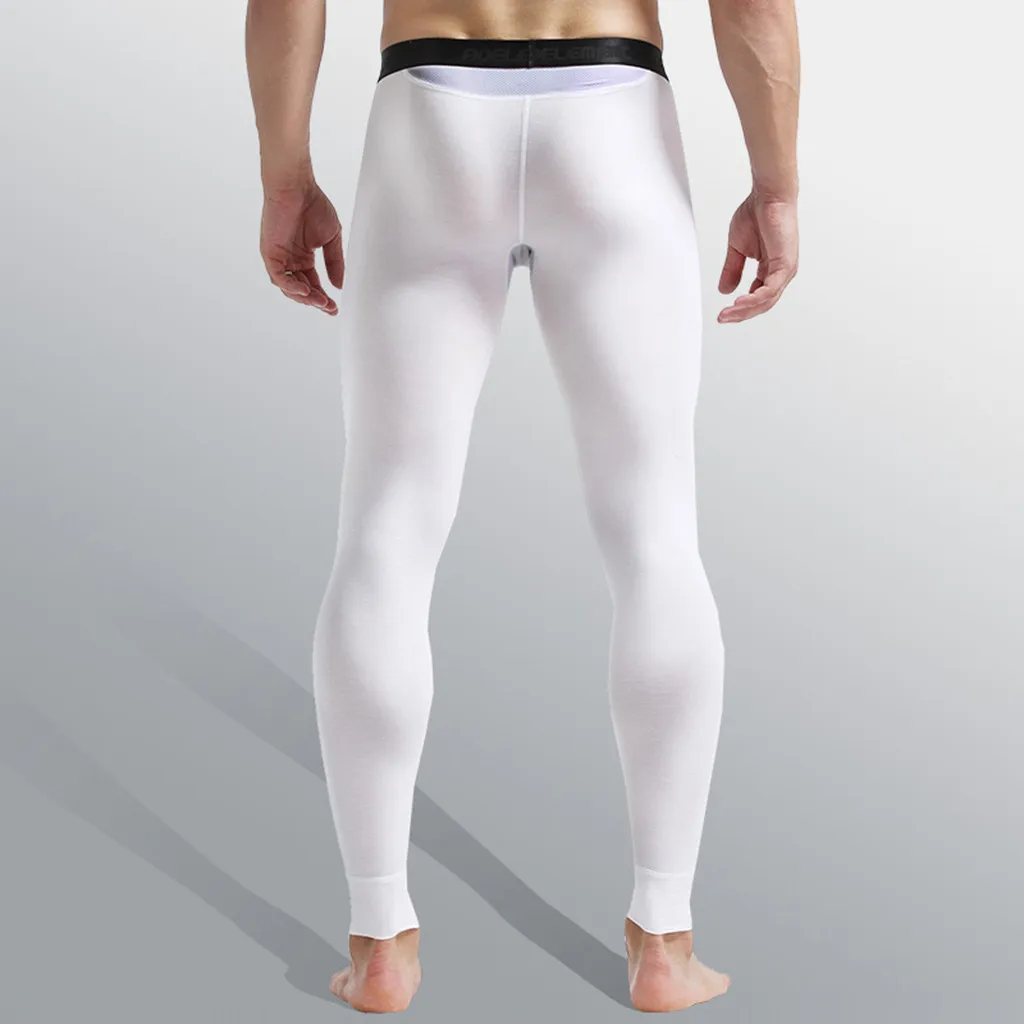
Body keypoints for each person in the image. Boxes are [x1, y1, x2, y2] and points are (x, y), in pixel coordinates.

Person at [245, 0, 799, 1013]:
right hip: (614, 114)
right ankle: (664, 938)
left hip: (430, 108)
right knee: (654, 532)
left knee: (386, 528)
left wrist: (286, 179)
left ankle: (379, 939)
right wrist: (776, 186)